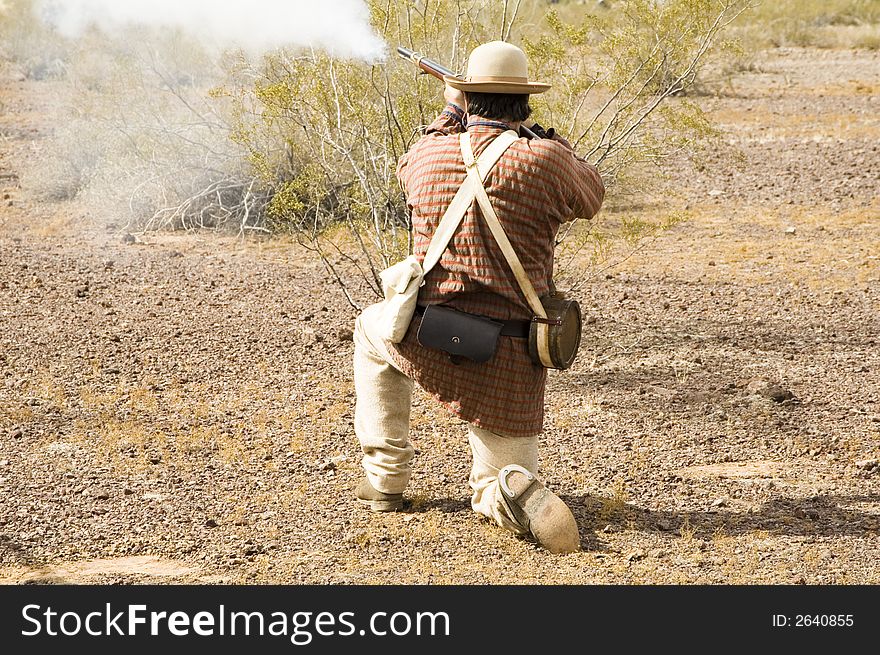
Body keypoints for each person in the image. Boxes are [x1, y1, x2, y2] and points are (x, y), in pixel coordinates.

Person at [352, 41, 605, 553]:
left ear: (468, 98)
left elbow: (407, 170)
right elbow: (591, 195)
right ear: (525, 103)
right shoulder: (548, 160)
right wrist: (539, 138)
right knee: (494, 483)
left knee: (370, 330)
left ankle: (385, 480)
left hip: (428, 334)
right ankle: (513, 492)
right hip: (510, 357)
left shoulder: (426, 153)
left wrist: (450, 111)